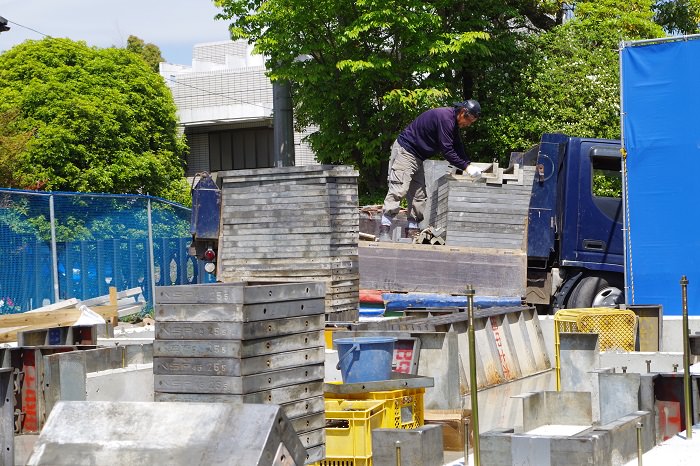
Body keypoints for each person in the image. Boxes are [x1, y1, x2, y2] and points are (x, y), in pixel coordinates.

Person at [378, 99, 482, 242]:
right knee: (399, 188)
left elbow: (458, 146)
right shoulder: (445, 118)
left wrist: (469, 164)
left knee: (419, 196)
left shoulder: (453, 124)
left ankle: (412, 231)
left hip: (418, 157)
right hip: (406, 151)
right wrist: (466, 167)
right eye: (469, 121)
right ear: (463, 112)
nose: (468, 125)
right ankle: (385, 228)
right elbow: (448, 151)